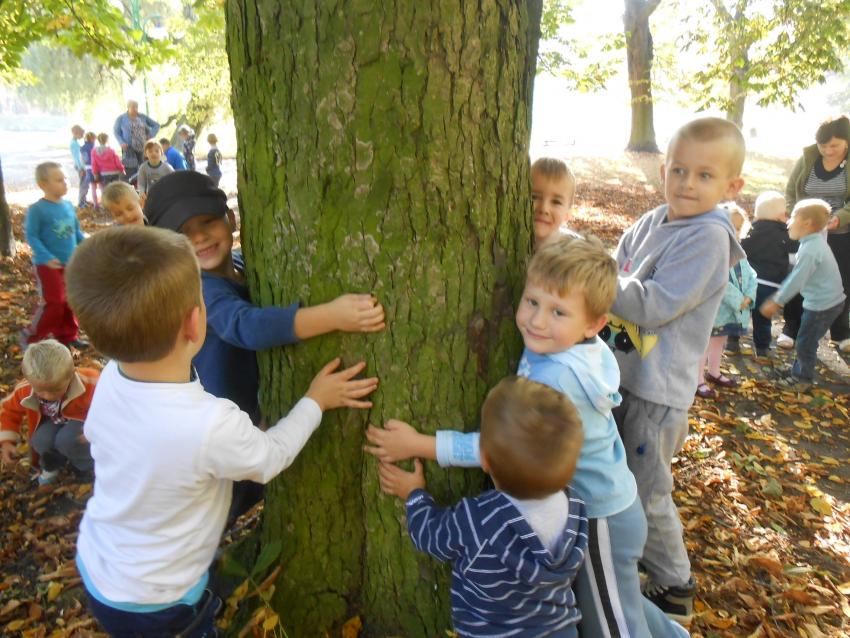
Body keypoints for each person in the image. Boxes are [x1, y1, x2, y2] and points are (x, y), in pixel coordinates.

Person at [64, 225, 378, 637]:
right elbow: (270, 458)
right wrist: (316, 399)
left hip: (99, 564)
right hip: (161, 603)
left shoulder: (111, 378)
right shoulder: (208, 423)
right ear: (196, 324)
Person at [366, 236, 689, 637]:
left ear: (594, 324)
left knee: (611, 623)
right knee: (615, 601)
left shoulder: (559, 379)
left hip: (599, 516)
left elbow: (500, 447)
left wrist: (420, 445)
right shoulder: (576, 348)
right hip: (594, 505)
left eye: (557, 312)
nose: (536, 321)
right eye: (532, 301)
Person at [145, 171, 386, 517]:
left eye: (207, 221)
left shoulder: (240, 262)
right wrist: (332, 316)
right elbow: (248, 327)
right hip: (226, 429)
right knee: (219, 508)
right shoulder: (198, 290)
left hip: (246, 418)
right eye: (183, 234)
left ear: (230, 219)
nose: (199, 238)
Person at [608, 117, 746, 623]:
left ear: (732, 187)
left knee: (646, 490)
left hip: (658, 393)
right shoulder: (653, 220)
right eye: (679, 170)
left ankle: (674, 584)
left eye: (705, 175)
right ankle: (627, 557)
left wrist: (586, 282)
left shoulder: (708, 238)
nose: (687, 183)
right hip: (622, 375)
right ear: (664, 169)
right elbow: (618, 266)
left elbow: (654, 304)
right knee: (619, 477)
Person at [377, 376, 588, 637]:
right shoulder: (576, 507)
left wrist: (414, 494)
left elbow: (430, 536)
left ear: (484, 460)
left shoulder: (480, 521)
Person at [760, 200, 846, 390]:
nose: (788, 222)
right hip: (824, 301)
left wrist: (777, 301)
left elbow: (796, 280)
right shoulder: (812, 242)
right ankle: (798, 370)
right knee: (806, 338)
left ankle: (802, 378)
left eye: (792, 217)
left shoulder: (810, 249)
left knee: (806, 341)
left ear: (807, 223)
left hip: (823, 305)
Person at [782, 115, 850, 354]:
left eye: (834, 146)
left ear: (847, 142)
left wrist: (840, 217)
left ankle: (841, 332)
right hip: (807, 229)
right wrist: (795, 215)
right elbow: (791, 190)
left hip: (840, 231)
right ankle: (791, 328)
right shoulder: (808, 158)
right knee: (800, 274)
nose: (828, 151)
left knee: (840, 281)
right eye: (823, 146)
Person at [0, 339, 98, 485]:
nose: (48, 396)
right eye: (41, 391)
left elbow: (109, 405)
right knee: (40, 440)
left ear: (71, 375)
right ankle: (53, 463)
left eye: (56, 389)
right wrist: (7, 441)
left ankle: (85, 465)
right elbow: (8, 410)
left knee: (68, 440)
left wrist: (97, 428)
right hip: (53, 420)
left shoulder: (90, 382)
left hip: (83, 420)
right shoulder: (25, 390)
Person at [22, 162, 88, 349]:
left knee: (70, 301)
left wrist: (87, 246)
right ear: (43, 184)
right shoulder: (37, 209)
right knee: (55, 302)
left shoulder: (68, 206)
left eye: (65, 178)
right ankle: (32, 337)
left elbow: (76, 232)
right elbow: (32, 236)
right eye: (59, 180)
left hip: (70, 264)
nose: (65, 182)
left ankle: (67, 335)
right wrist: (46, 256)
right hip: (47, 265)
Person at [696, 203, 758, 399]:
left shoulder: (740, 253)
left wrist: (750, 294)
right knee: (705, 344)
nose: (735, 232)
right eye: (730, 227)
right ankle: (697, 379)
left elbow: (751, 275)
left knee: (720, 341)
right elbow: (719, 281)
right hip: (716, 310)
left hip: (731, 311)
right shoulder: (713, 252)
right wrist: (739, 300)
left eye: (738, 228)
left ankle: (714, 371)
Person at [738, 191, 795, 357]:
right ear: (780, 216)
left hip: (747, 282)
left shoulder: (750, 231)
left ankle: (732, 342)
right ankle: (762, 348)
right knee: (762, 318)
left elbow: (740, 251)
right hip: (770, 283)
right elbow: (794, 255)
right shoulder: (786, 234)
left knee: (739, 312)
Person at [531, 157, 579, 247]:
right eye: (534, 197)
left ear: (567, 214)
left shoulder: (574, 250)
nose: (544, 209)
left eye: (556, 202)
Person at [113, 100, 160, 180]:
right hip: (128, 148)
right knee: (131, 170)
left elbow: (156, 125)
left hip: (143, 147)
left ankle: (146, 183)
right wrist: (121, 142)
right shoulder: (121, 118)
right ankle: (132, 185)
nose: (135, 109)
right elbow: (116, 132)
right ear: (128, 107)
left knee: (145, 168)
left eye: (136, 107)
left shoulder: (142, 116)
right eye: (133, 107)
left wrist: (150, 135)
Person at [70, 125, 89, 209]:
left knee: (84, 184)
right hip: (80, 167)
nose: (82, 136)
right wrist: (81, 168)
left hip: (81, 166)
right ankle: (81, 202)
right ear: (75, 133)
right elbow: (77, 157)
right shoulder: (74, 144)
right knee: (83, 184)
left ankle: (83, 200)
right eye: (81, 134)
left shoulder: (75, 143)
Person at [80, 132, 99, 210]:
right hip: (95, 168)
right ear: (92, 139)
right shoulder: (94, 147)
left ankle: (95, 204)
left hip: (87, 168)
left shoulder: (82, 148)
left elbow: (82, 159)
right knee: (101, 186)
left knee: (92, 187)